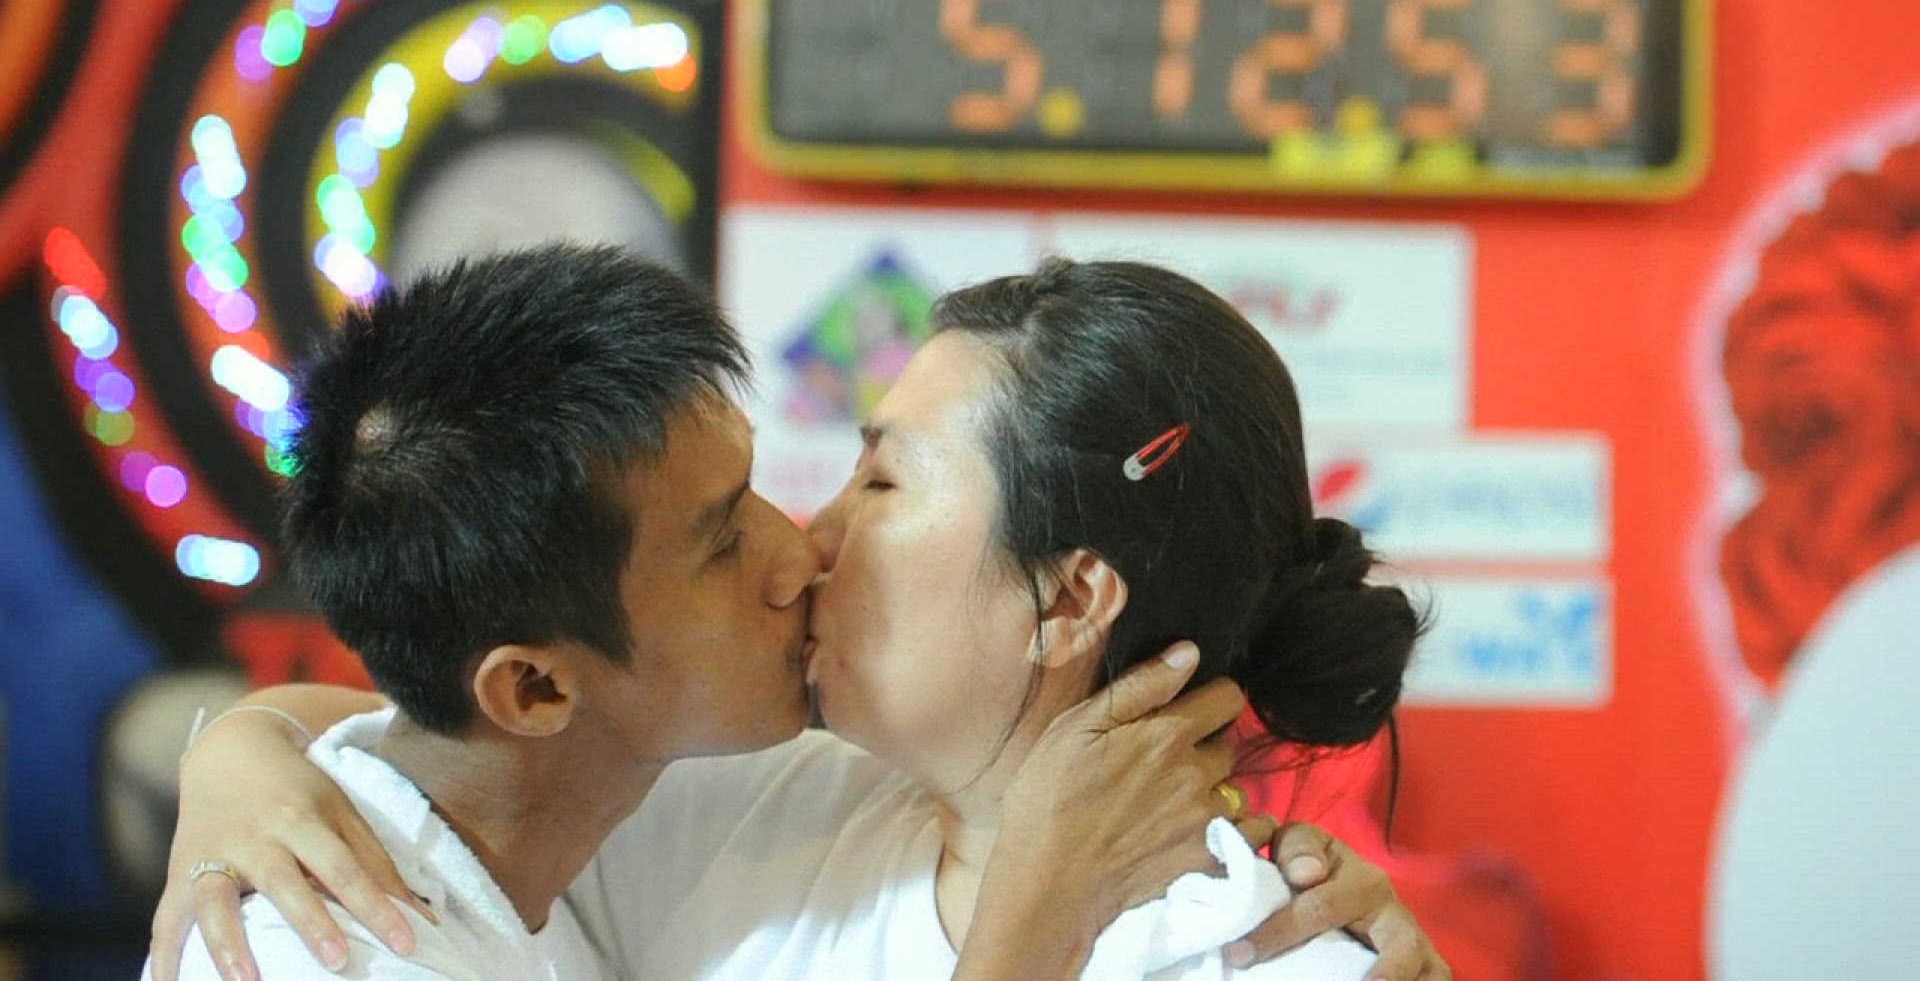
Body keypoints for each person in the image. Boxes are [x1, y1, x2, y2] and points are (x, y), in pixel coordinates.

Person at [153, 253, 1449, 980]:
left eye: (880, 482)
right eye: (727, 534)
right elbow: (461, 750)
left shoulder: (1269, 953)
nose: (806, 544)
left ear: (1065, 599)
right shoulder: (727, 813)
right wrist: (241, 752)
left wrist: (250, 743)